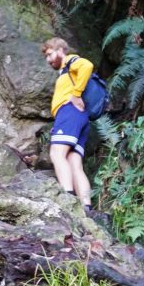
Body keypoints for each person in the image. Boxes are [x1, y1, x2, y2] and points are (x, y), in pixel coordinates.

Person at [42, 37, 94, 214]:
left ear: (60, 50)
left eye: (50, 54)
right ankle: (86, 207)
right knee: (74, 161)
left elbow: (87, 66)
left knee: (56, 154)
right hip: (80, 117)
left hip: (70, 112)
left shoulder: (70, 60)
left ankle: (68, 200)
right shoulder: (65, 71)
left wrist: (76, 94)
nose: (48, 60)